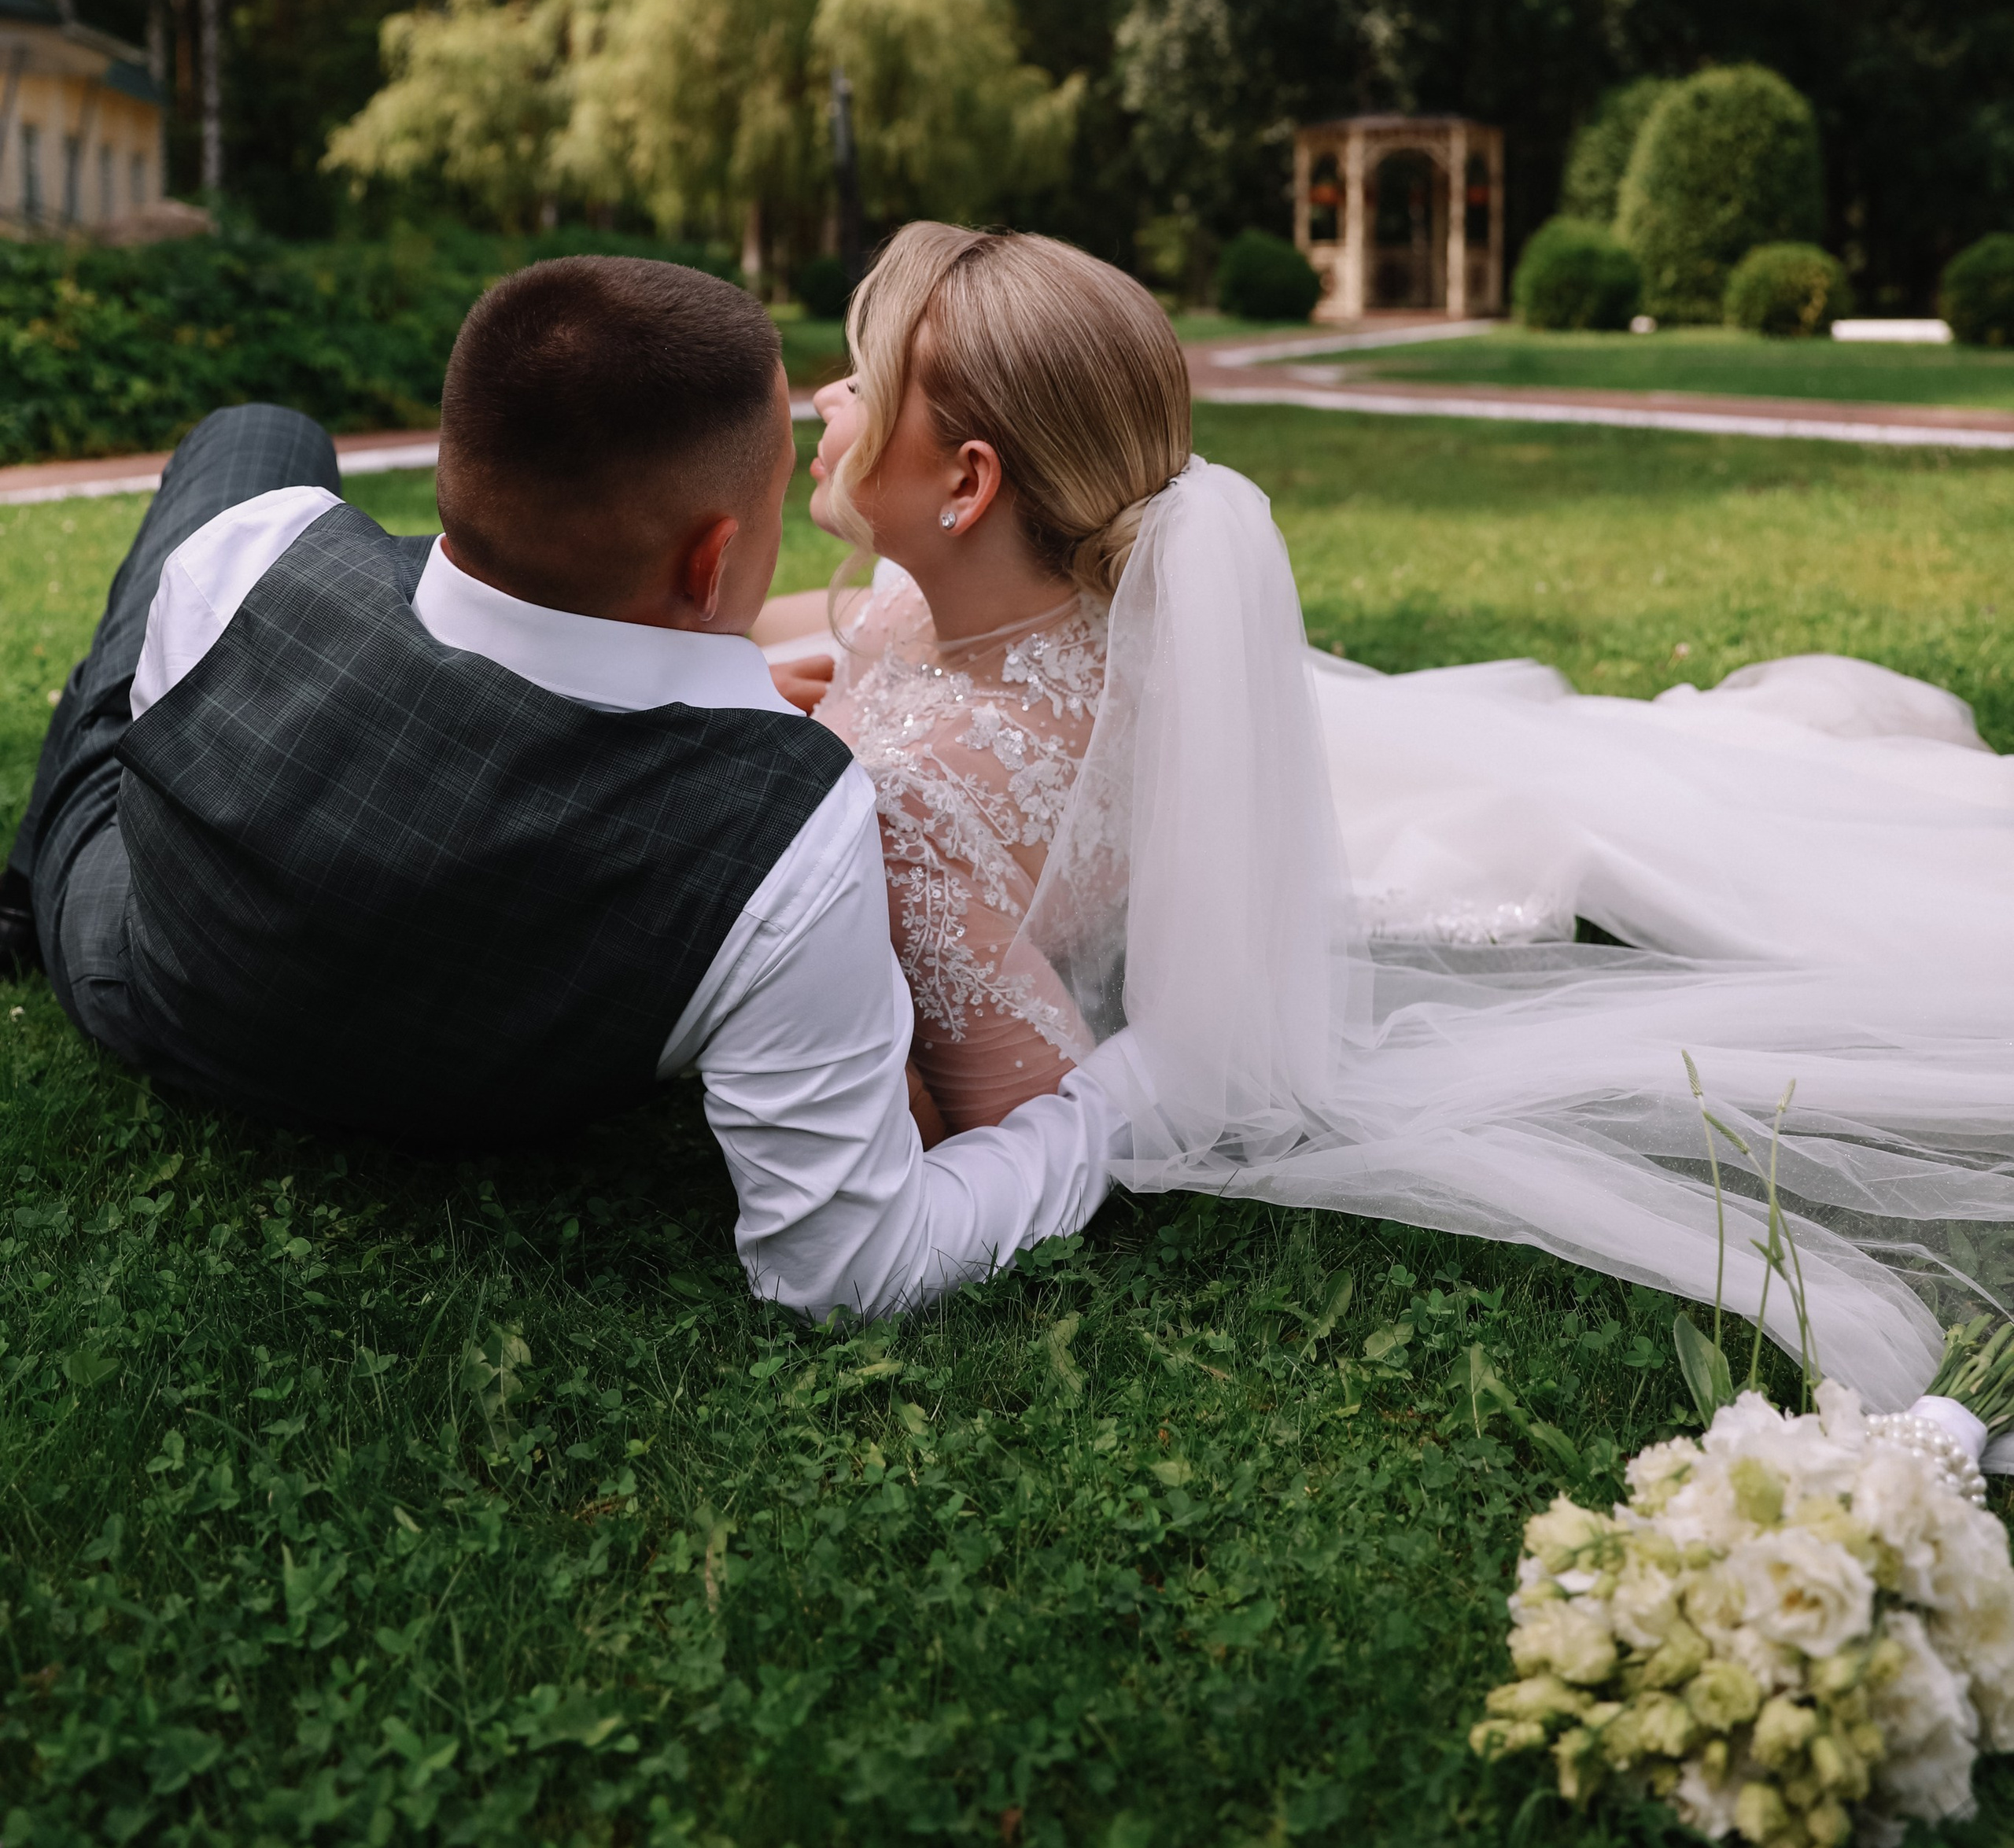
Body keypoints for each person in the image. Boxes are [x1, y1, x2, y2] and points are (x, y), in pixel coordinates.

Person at [759, 223, 2014, 1421]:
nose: (829, 400)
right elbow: (857, 640)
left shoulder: (924, 798)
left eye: (862, 380)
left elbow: (1030, 1120)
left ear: (969, 484)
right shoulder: (1042, 614)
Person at [0, 256, 1135, 1319]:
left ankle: (29, 894)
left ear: (461, 461)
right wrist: (1115, 1106)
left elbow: (174, 749)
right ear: (708, 562)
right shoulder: (786, 825)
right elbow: (849, 1262)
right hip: (451, 1089)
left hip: (150, 963)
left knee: (256, 441)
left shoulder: (250, 552)